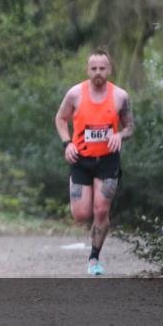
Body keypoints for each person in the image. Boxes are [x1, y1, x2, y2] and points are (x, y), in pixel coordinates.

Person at [54, 49, 135, 275]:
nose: (98, 72)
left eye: (102, 68)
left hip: (108, 160)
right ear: (87, 70)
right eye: (94, 68)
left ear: (109, 70)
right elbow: (60, 118)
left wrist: (119, 135)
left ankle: (94, 258)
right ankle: (92, 221)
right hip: (81, 159)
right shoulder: (75, 94)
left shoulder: (120, 96)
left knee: (101, 210)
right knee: (80, 214)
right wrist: (67, 143)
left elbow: (130, 127)